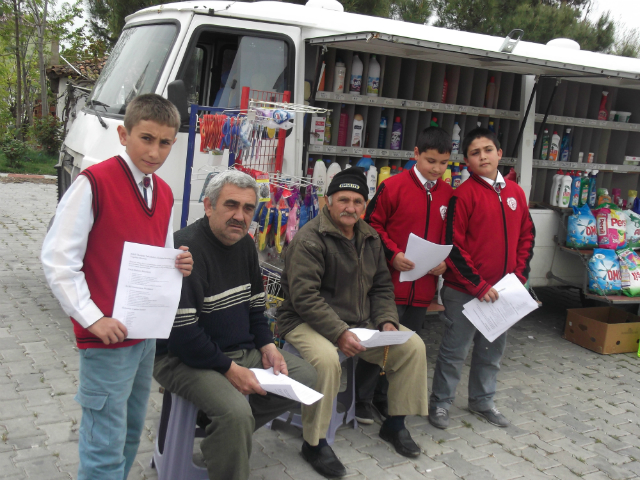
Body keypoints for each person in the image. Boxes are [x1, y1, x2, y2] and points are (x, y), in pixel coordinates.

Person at [41, 94, 194, 479]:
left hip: (142, 337)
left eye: (165, 142)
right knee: (104, 445)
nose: (154, 151)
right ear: (124, 134)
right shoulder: (94, 182)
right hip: (107, 339)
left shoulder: (162, 192)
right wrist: (93, 319)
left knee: (127, 434)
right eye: (146, 138)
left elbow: (160, 252)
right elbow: (59, 260)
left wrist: (178, 263)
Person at [153, 170, 317, 480]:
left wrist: (267, 345)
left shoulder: (244, 245)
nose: (239, 216)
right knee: (235, 413)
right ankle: (227, 431)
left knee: (306, 377)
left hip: (236, 351)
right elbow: (184, 335)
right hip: (181, 358)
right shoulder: (184, 250)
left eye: (247, 208)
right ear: (208, 206)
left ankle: (222, 434)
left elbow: (256, 308)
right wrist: (230, 370)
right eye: (231, 205)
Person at [277, 169, 429, 478]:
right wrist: (339, 332)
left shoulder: (369, 237)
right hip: (304, 322)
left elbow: (383, 288)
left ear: (365, 204)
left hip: (356, 322)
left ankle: (395, 424)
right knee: (326, 360)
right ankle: (315, 442)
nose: (351, 207)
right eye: (343, 200)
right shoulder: (310, 239)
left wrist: (387, 322)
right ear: (328, 202)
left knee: (412, 345)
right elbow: (304, 298)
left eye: (358, 201)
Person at [429, 127, 535, 429]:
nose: (483, 156)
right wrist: (479, 285)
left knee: (492, 351)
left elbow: (528, 235)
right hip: (464, 291)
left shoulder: (516, 193)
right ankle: (440, 405)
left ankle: (482, 401)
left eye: (488, 150)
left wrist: (519, 276)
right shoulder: (462, 196)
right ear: (467, 161)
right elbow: (454, 247)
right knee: (453, 352)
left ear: (499, 153)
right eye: (475, 153)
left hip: (503, 293)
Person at [355, 127, 453, 424]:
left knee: (405, 347)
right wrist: (393, 254)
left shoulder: (449, 194)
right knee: (379, 343)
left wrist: (445, 263)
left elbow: (453, 236)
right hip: (389, 285)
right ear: (415, 155)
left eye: (443, 163)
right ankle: (360, 399)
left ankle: (385, 398)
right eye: (430, 160)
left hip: (423, 289)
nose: (437, 169)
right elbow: (372, 225)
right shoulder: (393, 186)